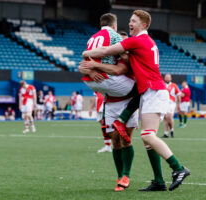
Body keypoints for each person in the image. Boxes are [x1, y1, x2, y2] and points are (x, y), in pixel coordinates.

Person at [82, 10, 190, 191]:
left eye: (134, 21)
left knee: (147, 135)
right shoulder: (145, 42)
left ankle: (178, 168)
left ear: (144, 25)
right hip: (149, 91)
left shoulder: (137, 40)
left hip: (154, 91)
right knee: (148, 139)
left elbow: (107, 50)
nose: (130, 23)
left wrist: (87, 54)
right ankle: (159, 181)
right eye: (130, 20)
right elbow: (124, 58)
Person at [79, 13, 137, 192]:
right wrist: (86, 68)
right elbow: (85, 63)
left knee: (126, 140)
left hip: (128, 101)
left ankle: (126, 175)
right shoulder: (113, 50)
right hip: (111, 101)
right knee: (115, 141)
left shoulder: (130, 56)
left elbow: (120, 69)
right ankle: (119, 176)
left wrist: (91, 67)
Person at [162, 74, 181, 138]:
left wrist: (179, 103)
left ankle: (172, 130)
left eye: (168, 77)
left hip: (171, 103)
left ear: (171, 78)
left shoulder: (174, 85)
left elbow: (178, 94)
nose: (167, 78)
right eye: (166, 77)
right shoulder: (162, 85)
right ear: (164, 78)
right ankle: (166, 133)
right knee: (165, 118)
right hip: (164, 103)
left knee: (169, 116)